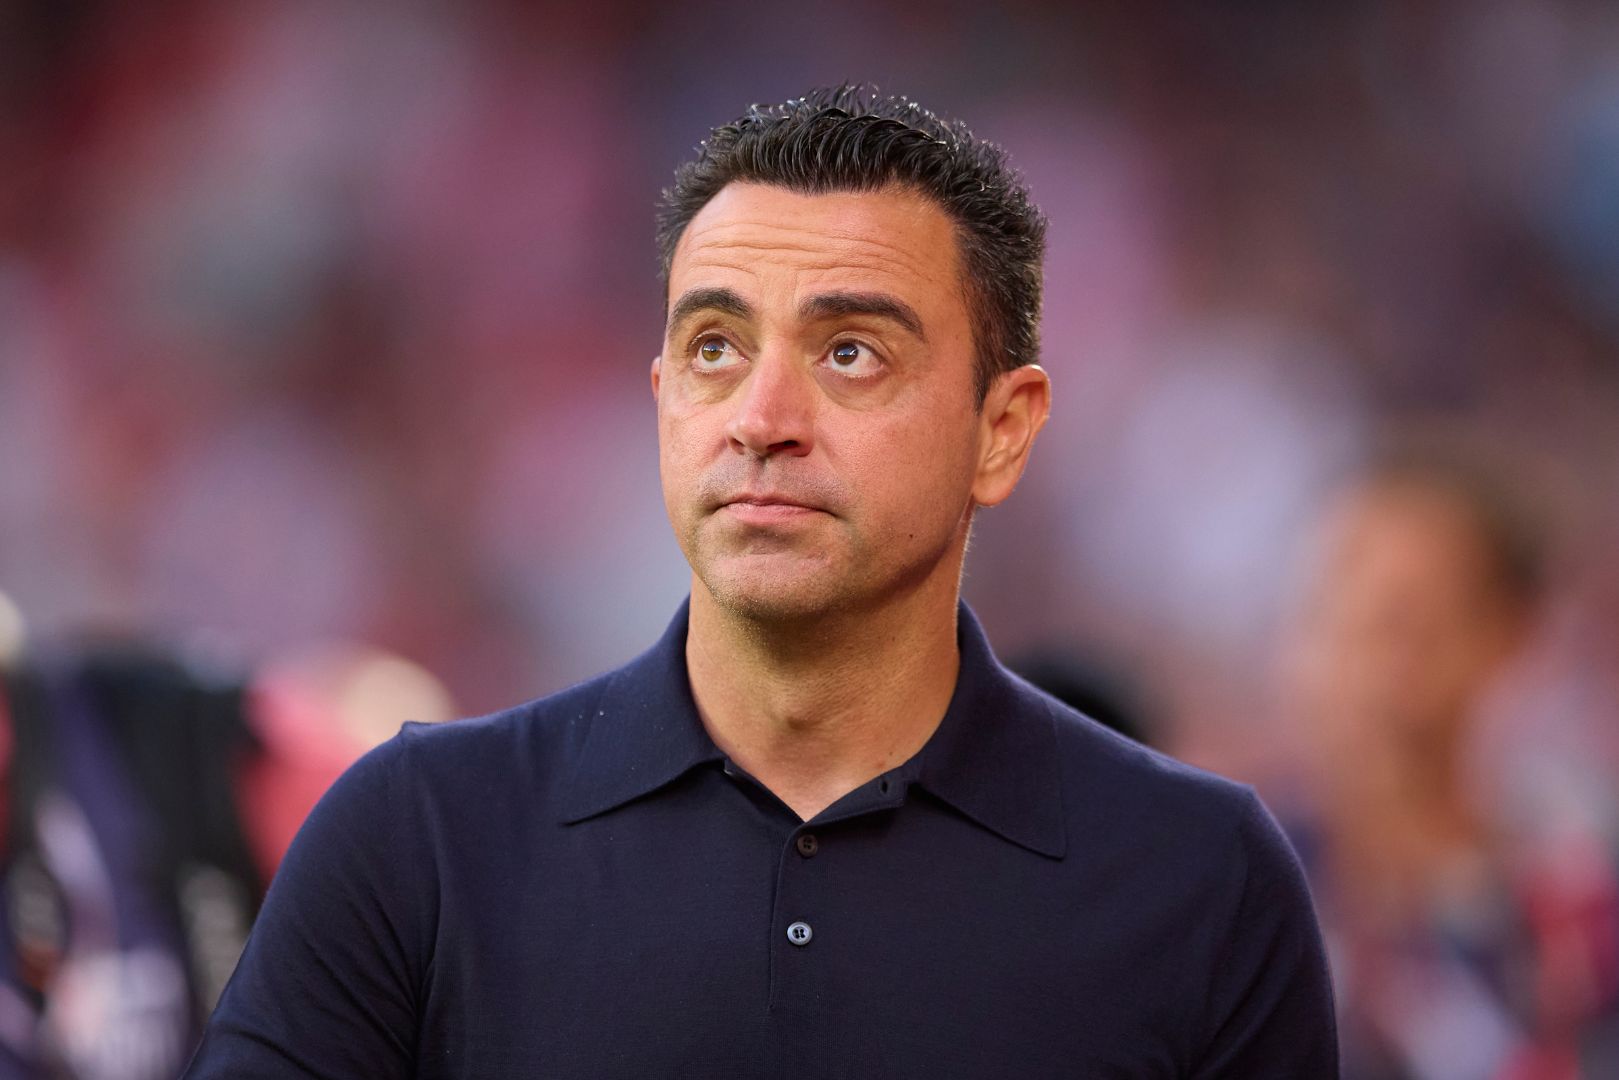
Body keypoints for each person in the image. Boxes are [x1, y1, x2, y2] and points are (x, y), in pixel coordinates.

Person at [185, 87, 1337, 1077]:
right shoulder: (415, 838)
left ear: (1001, 430)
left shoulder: (1199, 880)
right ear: (658, 400)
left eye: (849, 354)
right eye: (714, 350)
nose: (760, 420)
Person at [1282, 449, 1619, 1079]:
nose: (1357, 665)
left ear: (1510, 635)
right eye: (1331, 616)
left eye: (1404, 623)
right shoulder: (1238, 884)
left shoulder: (1583, 907)